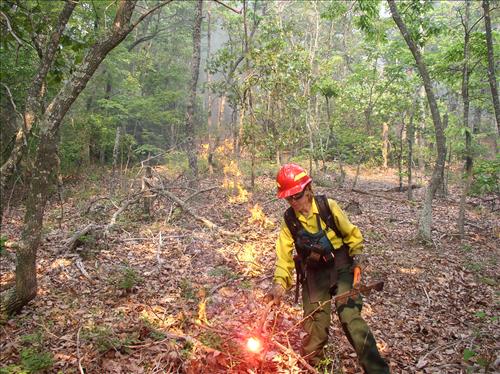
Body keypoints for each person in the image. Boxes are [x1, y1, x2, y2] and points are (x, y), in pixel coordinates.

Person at [266, 163, 389, 373]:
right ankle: (318, 369)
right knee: (315, 330)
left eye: (297, 195)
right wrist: (279, 284)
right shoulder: (289, 222)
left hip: (340, 266)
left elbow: (352, 235)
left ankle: (377, 370)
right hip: (313, 274)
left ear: (308, 190)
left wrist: (358, 260)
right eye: (289, 198)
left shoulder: (327, 207)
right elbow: (283, 258)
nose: (294, 202)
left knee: (350, 317)